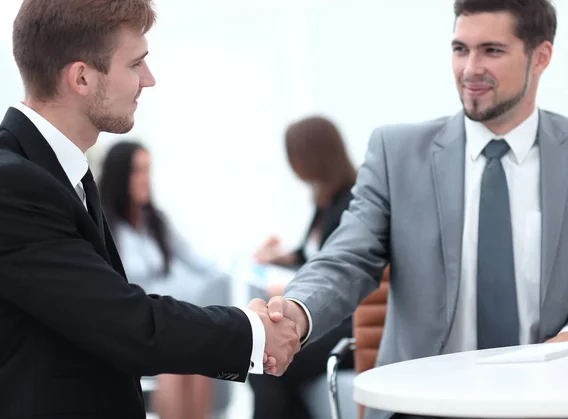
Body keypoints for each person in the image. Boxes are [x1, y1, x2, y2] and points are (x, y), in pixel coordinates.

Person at [0, 1, 299, 418]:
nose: (150, 79)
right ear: (82, 77)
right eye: (136, 63)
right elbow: (122, 323)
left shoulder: (52, 170)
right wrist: (252, 332)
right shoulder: (6, 185)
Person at [264, 1, 568, 418]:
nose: (470, 69)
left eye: (491, 51)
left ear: (541, 57)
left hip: (549, 402)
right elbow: (346, 257)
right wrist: (298, 311)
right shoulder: (398, 154)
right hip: (425, 406)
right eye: (460, 49)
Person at [99, 140, 229, 419]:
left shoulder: (156, 222)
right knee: (173, 362)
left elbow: (199, 263)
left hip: (165, 319)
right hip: (132, 326)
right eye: (137, 171)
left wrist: (248, 263)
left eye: (148, 170)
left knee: (199, 357)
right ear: (120, 176)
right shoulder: (103, 225)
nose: (146, 179)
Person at [250, 116, 356, 419]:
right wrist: (281, 258)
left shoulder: (351, 203)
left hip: (342, 325)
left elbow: (341, 269)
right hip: (323, 319)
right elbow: (314, 255)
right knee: (268, 364)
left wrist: (289, 289)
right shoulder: (327, 200)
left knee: (267, 363)